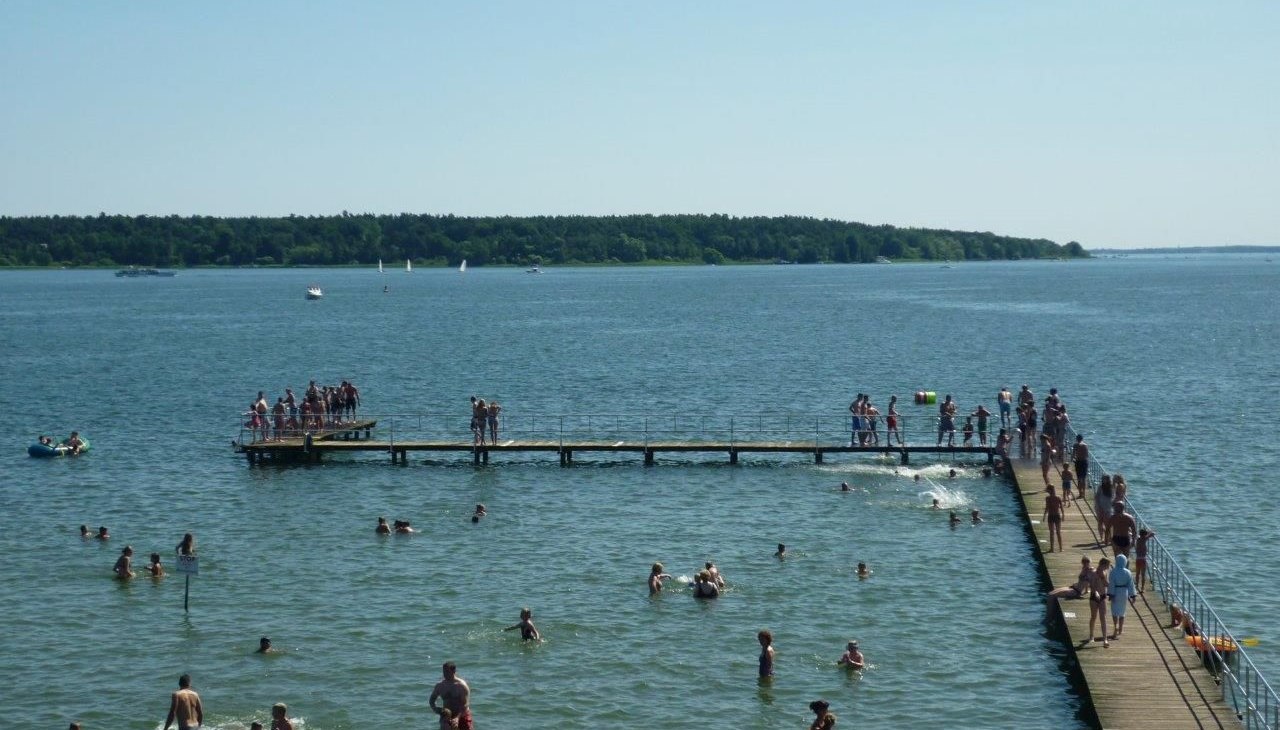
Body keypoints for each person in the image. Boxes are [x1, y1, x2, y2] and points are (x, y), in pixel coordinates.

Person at [429, 661, 472, 730]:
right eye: (444, 672)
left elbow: (465, 704)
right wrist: (437, 709)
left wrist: (457, 718)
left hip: (462, 715)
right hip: (447, 716)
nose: (445, 674)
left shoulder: (461, 686)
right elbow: (432, 700)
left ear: (454, 671)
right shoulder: (440, 686)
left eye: (447, 672)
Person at [1107, 553, 1136, 640]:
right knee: (1122, 612)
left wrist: (1110, 594)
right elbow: (1131, 585)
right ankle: (1120, 629)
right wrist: (1133, 595)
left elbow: (1111, 584)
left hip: (1115, 591)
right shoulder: (1128, 572)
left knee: (1114, 611)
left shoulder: (1113, 571)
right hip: (1124, 592)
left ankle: (1115, 626)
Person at [1088, 557, 1112, 647]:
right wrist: (1096, 593)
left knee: (1103, 617)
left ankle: (1105, 639)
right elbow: (1092, 586)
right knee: (1093, 616)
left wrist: (1110, 584)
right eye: (1108, 565)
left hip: (1102, 596)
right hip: (1094, 596)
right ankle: (1091, 636)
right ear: (1103, 564)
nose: (1108, 567)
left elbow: (1106, 584)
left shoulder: (1105, 573)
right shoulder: (1094, 573)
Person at [1042, 485, 1064, 553]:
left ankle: (1053, 549)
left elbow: (1047, 508)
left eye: (1047, 490)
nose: (1047, 491)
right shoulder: (1058, 497)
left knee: (1053, 533)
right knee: (1057, 532)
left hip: (1051, 516)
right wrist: (1063, 515)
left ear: (1050, 490)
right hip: (1056, 516)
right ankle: (1060, 548)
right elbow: (1062, 508)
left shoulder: (1048, 498)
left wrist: (1044, 515)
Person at [1135, 528, 1156, 592]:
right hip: (1143, 559)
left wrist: (1147, 533)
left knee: (1137, 573)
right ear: (1144, 535)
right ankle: (1142, 588)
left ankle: (1136, 586)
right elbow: (1153, 533)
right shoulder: (1144, 539)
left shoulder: (1138, 539)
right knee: (1143, 574)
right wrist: (1150, 531)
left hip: (1138, 559)